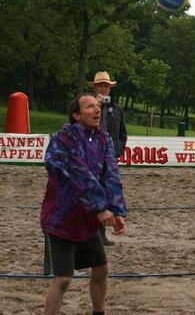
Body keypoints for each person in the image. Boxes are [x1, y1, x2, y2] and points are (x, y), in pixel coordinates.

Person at [41, 93, 128, 315]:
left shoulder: (103, 139)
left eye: (98, 106)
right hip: (62, 218)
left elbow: (111, 174)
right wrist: (100, 207)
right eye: (90, 107)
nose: (97, 110)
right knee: (63, 278)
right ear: (76, 115)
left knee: (101, 269)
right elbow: (76, 173)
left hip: (87, 220)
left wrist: (117, 210)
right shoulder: (64, 138)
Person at [91, 71, 127, 246]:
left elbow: (122, 134)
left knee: (107, 193)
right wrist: (95, 104)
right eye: (100, 85)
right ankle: (92, 232)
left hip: (109, 157)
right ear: (95, 87)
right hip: (90, 156)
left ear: (110, 88)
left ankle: (102, 233)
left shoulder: (117, 109)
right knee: (91, 192)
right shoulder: (87, 106)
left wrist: (117, 151)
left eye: (106, 85)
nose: (104, 88)